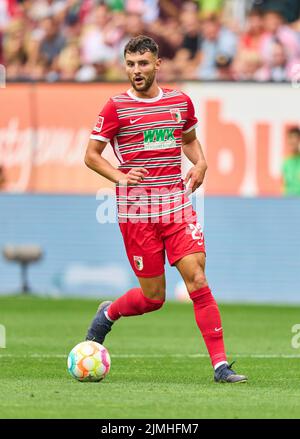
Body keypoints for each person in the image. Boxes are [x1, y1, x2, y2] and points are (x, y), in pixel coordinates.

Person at [84, 35, 247, 383]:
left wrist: (201, 163)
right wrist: (119, 175)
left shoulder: (180, 102)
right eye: (130, 64)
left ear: (157, 64)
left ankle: (220, 366)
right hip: (137, 211)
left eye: (143, 64)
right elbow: (91, 155)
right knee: (153, 297)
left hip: (175, 204)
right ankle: (108, 313)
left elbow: (188, 141)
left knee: (198, 278)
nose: (136, 71)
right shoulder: (115, 107)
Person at [282, 127, 300, 196]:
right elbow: (283, 186)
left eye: (295, 138)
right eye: (290, 138)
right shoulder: (286, 162)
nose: (293, 141)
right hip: (288, 202)